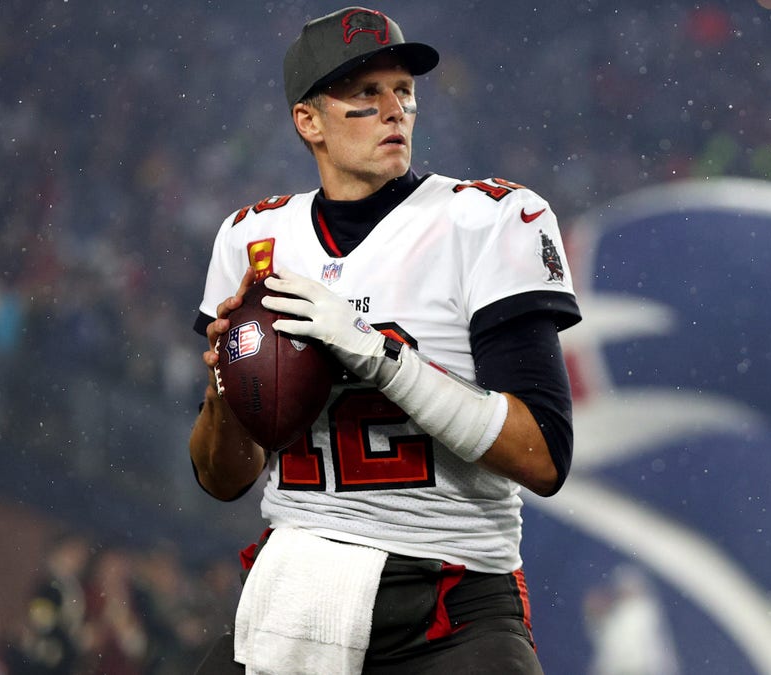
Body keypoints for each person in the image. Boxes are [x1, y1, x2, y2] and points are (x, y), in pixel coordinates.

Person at [188, 6, 580, 674]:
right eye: (365, 94)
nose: (394, 108)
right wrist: (227, 386)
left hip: (450, 596)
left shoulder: (487, 219)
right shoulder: (252, 240)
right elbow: (222, 477)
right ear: (309, 121)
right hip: (297, 586)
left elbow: (545, 456)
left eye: (402, 90)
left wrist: (378, 354)